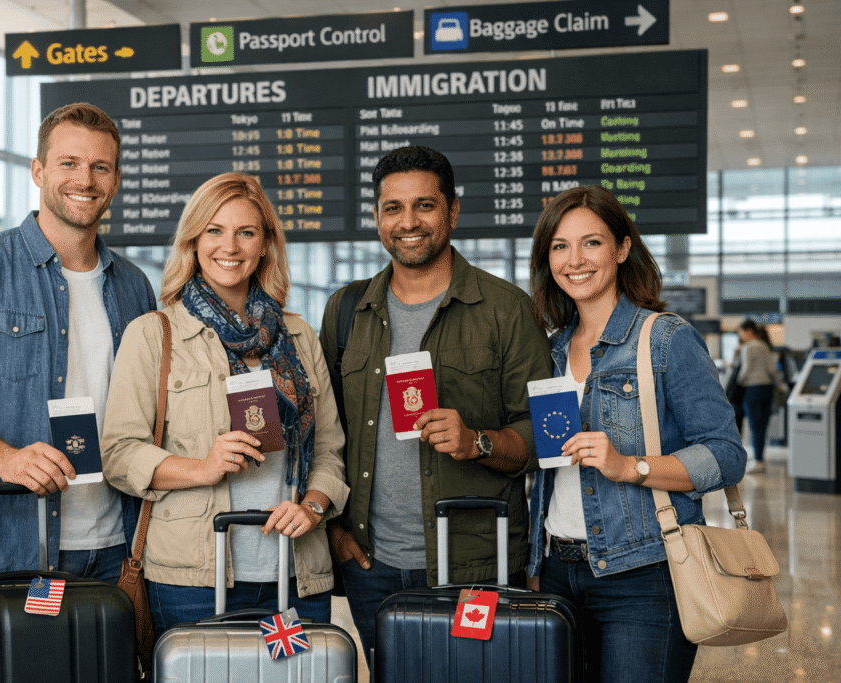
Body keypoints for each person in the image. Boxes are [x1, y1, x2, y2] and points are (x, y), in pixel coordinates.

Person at [0, 103, 157, 582]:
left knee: (108, 663)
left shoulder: (134, 286)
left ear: (116, 180)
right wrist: (7, 458)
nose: (85, 179)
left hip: (117, 547)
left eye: (100, 167)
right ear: (38, 171)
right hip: (8, 544)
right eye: (69, 163)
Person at [318, 145, 552, 659]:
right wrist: (334, 530)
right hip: (370, 565)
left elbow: (545, 436)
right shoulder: (346, 311)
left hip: (475, 565)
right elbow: (326, 435)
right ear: (377, 216)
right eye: (392, 208)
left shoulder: (505, 309)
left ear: (452, 211)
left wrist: (477, 441)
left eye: (424, 205)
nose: (408, 222)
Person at [100, 173, 348, 631]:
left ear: (265, 245)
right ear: (193, 241)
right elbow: (119, 455)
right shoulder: (155, 334)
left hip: (295, 573)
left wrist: (312, 507)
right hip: (192, 578)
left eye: (245, 232)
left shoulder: (298, 336)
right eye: (214, 230)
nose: (229, 246)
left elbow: (330, 450)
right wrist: (203, 468)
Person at [526, 185, 747, 683]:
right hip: (558, 572)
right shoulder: (550, 350)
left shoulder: (665, 338)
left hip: (643, 576)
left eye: (592, 243)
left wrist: (630, 466)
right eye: (559, 246)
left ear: (622, 249)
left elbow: (727, 455)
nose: (574, 260)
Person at [737, 319, 778, 474]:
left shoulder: (747, 347)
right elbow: (772, 369)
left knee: (754, 426)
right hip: (767, 388)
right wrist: (780, 385)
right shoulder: (764, 345)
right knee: (762, 426)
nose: (741, 336)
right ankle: (760, 458)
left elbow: (745, 370)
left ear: (748, 331)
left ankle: (758, 461)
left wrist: (737, 382)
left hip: (752, 389)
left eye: (741, 333)